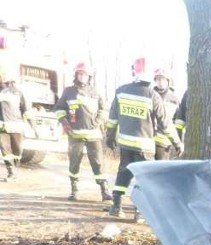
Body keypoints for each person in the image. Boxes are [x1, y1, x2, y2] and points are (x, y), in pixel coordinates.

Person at [104, 57, 183, 218]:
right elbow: (165, 124)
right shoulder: (153, 95)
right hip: (145, 146)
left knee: (123, 173)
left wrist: (109, 138)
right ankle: (139, 213)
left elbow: (112, 120)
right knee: (144, 179)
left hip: (125, 143)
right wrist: (177, 143)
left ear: (134, 72)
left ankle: (116, 207)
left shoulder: (121, 91)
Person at [54, 63, 111, 201]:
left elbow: (103, 110)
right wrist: (65, 123)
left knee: (98, 162)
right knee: (74, 162)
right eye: (80, 74)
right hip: (75, 134)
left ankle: (104, 190)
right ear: (76, 75)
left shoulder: (95, 92)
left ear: (89, 77)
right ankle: (74, 190)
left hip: (93, 135)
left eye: (85, 74)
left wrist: (97, 122)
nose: (82, 77)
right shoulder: (68, 91)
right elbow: (59, 109)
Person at [0, 72, 30, 182]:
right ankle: (11, 171)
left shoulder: (18, 93)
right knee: (5, 149)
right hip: (3, 126)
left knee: (15, 149)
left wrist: (30, 125)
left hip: (15, 125)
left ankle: (14, 169)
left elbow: (24, 109)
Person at [151, 68, 181, 160]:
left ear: (168, 81)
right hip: (149, 141)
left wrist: (178, 142)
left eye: (163, 79)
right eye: (158, 79)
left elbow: (177, 123)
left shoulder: (174, 99)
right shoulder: (149, 94)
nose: (160, 82)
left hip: (164, 143)